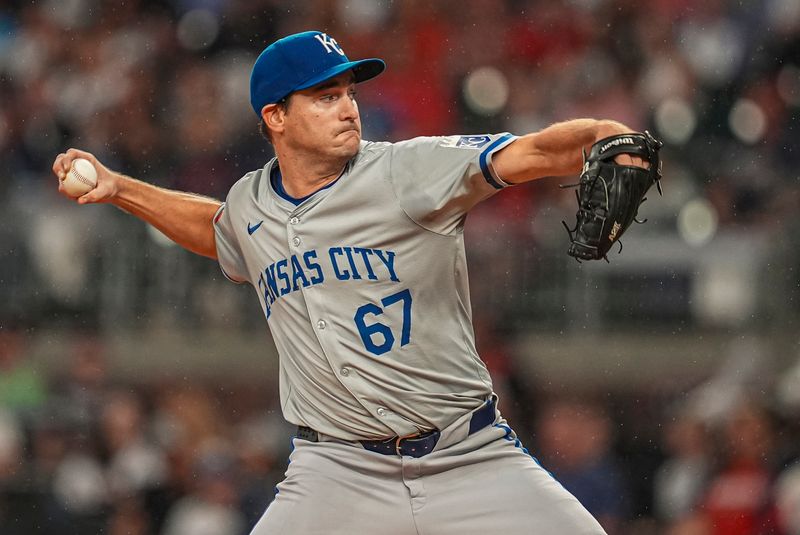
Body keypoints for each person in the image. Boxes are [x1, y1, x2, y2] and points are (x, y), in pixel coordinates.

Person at [53, 30, 651, 535]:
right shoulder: (251, 203)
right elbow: (220, 231)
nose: (348, 107)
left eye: (348, 92)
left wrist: (602, 133)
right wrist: (121, 189)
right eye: (324, 95)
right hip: (334, 471)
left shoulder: (406, 171)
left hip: (467, 455)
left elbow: (529, 152)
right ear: (275, 116)